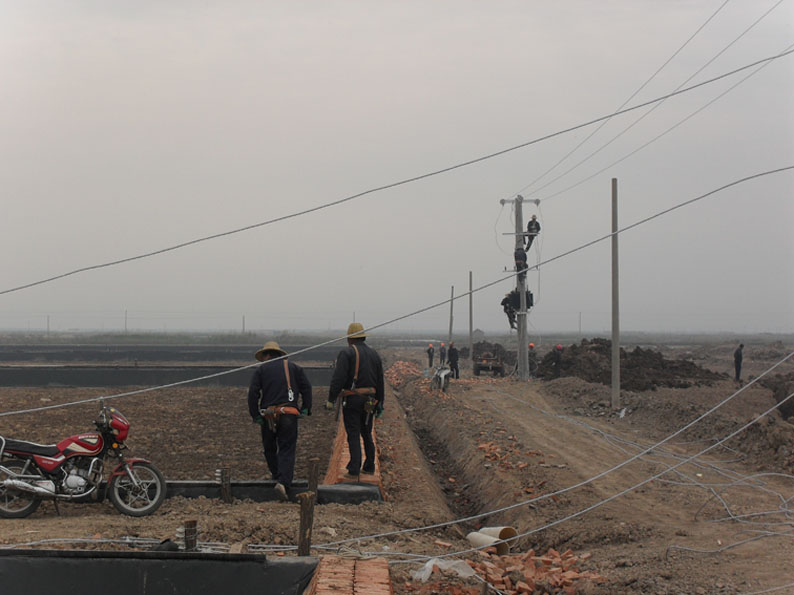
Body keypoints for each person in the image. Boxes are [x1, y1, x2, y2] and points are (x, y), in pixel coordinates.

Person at [248, 340, 312, 501]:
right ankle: (283, 482)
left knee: (269, 448)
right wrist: (306, 408)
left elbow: (253, 393)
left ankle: (277, 476)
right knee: (286, 448)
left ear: (267, 355)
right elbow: (306, 388)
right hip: (289, 414)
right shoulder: (294, 368)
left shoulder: (261, 370)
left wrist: (255, 415)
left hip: (268, 415)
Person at [326, 323, 385, 479]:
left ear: (350, 339)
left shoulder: (347, 353)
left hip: (353, 400)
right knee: (366, 432)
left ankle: (354, 468)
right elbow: (380, 380)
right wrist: (380, 402)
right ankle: (369, 466)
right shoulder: (374, 354)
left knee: (353, 433)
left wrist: (331, 398)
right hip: (370, 400)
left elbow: (338, 378)